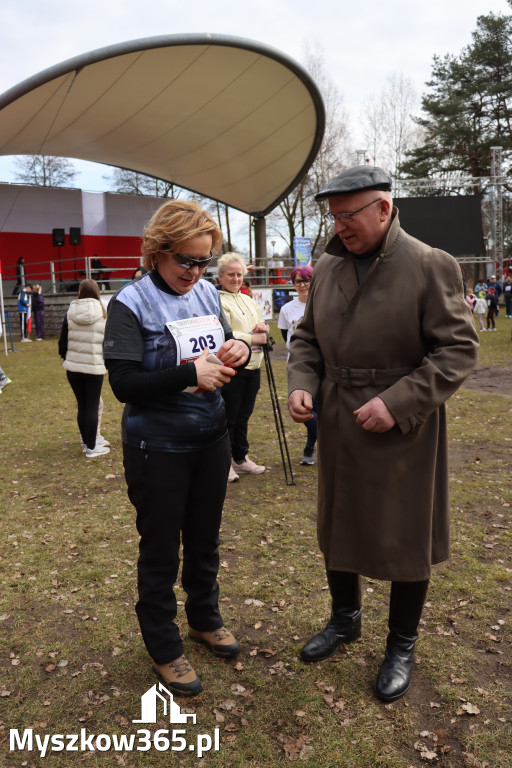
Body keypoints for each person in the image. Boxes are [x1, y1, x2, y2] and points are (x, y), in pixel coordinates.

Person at [287, 166, 479, 703]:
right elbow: (306, 338)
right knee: (339, 520)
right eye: (334, 216)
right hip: (338, 416)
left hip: (403, 426)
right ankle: (345, 619)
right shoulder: (326, 266)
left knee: (404, 533)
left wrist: (397, 404)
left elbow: (458, 351)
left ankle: (401, 643)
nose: (340, 226)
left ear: (384, 208)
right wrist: (304, 382)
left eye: (350, 215)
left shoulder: (428, 264)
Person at [103, 199, 250, 697]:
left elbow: (226, 346)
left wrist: (240, 350)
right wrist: (190, 373)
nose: (194, 270)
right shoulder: (131, 302)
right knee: (162, 547)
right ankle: (164, 645)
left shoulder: (208, 293)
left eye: (203, 260)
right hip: (156, 446)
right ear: (158, 252)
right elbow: (123, 383)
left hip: (211, 438)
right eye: (184, 260)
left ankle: (204, 618)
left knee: (205, 538)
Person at [217, 253, 268, 482]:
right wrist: (251, 337)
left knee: (244, 415)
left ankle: (240, 457)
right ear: (220, 277)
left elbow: (260, 327)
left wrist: (262, 326)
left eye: (239, 274)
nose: (236, 278)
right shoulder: (217, 300)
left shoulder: (250, 301)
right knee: (229, 416)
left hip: (254, 366)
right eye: (231, 274)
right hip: (232, 366)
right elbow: (222, 332)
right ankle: (224, 461)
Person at [58, 279, 110, 458]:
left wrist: (67, 357)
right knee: (92, 405)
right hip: (94, 368)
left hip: (73, 367)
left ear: (80, 292)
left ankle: (87, 441)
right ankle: (92, 446)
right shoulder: (103, 313)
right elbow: (108, 343)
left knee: (83, 405)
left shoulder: (70, 311)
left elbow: (62, 341)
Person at [278, 265, 317, 465]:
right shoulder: (287, 309)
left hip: (322, 364)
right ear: (293, 284)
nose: (303, 285)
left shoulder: (321, 303)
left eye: (307, 280)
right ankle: (312, 445)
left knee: (321, 406)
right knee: (306, 409)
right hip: (298, 367)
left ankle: (310, 448)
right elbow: (287, 337)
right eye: (298, 281)